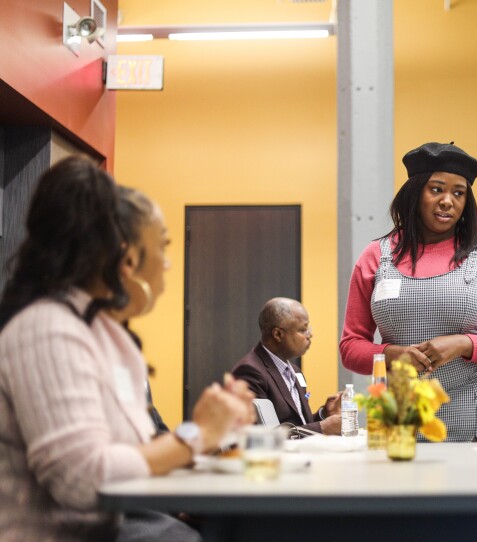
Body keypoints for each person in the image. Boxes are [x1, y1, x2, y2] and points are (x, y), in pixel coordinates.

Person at [0, 157, 254, 541]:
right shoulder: (48, 329)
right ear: (128, 258)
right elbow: (83, 480)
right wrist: (198, 436)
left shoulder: (107, 333)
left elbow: (137, 454)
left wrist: (215, 429)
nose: (167, 264)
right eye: (163, 247)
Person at [339, 141, 477, 442]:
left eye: (458, 192)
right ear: (414, 193)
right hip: (402, 414)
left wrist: (464, 344)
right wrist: (393, 355)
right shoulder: (376, 256)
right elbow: (350, 347)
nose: (447, 201)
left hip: (474, 411)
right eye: (437, 189)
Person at [232, 298, 341, 435]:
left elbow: (299, 426)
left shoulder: (295, 371)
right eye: (303, 330)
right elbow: (258, 438)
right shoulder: (250, 372)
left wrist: (324, 414)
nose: (310, 335)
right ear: (278, 334)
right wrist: (322, 428)